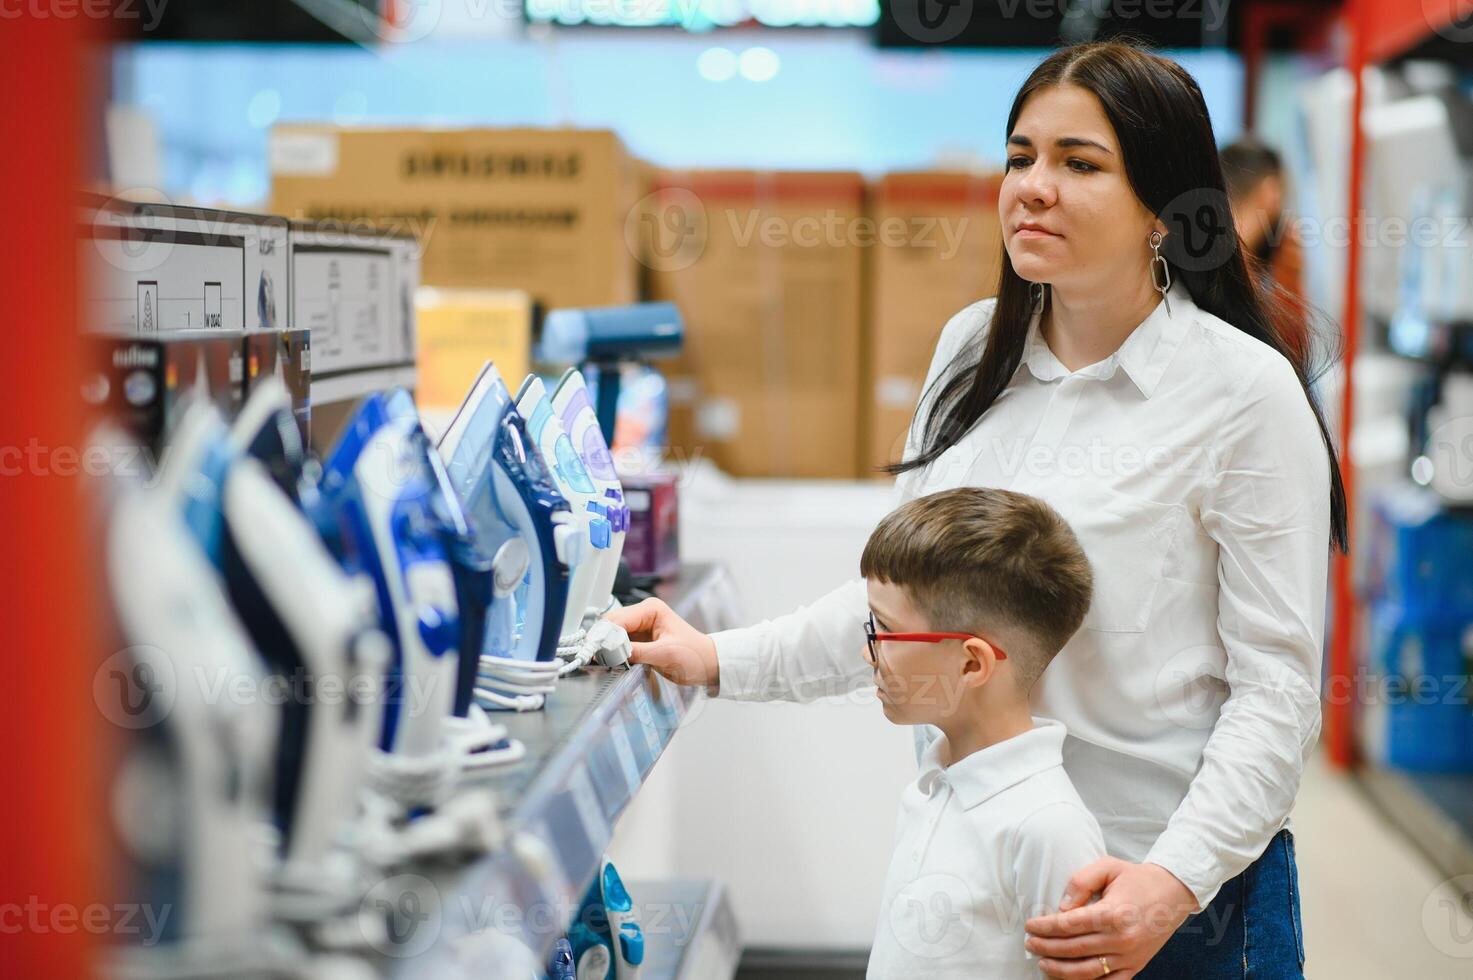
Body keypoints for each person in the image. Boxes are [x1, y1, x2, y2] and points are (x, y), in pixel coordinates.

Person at [611, 40, 1344, 979]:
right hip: (976, 871)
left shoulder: (1242, 394)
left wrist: (1168, 884)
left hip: (1168, 903)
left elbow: (1276, 692)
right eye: (1019, 156)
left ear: (1165, 209)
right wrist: (711, 658)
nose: (1031, 187)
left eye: (1078, 163)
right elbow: (905, 613)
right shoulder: (972, 358)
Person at [860, 486, 1102, 977]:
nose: (870, 653)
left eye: (883, 631)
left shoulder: (1047, 829)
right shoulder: (932, 783)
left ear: (972, 663)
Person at [1221, 137, 1311, 361]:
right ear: (1270, 192)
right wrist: (1290, 266)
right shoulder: (1244, 281)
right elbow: (1294, 356)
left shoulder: (1196, 258)